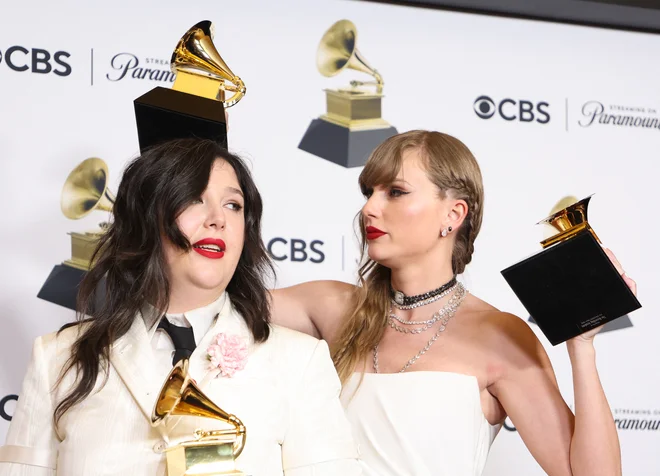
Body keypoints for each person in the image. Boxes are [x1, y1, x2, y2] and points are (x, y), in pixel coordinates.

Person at [271, 130, 636, 476]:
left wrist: (582, 346)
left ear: (453, 215)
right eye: (369, 191)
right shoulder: (331, 306)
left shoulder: (501, 337)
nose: (369, 208)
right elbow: (224, 300)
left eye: (395, 192)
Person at [0, 138, 361, 476]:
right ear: (146, 218)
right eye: (193, 199)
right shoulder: (58, 358)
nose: (218, 219)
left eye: (233, 205)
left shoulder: (299, 361)